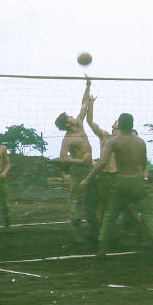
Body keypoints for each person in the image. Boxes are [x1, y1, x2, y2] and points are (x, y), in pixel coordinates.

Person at [80, 113, 153, 258]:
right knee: (149, 214)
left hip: (121, 181)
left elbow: (102, 163)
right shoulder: (140, 142)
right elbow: (143, 164)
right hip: (138, 181)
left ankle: (102, 247)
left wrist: (87, 179)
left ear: (120, 125)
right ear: (132, 124)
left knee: (110, 215)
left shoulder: (113, 142)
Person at [86, 94, 143, 233]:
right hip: (105, 177)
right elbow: (90, 121)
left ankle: (136, 228)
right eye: (115, 120)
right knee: (104, 206)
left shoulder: (128, 138)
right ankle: (102, 233)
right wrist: (91, 104)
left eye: (117, 120)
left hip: (119, 176)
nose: (115, 121)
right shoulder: (105, 135)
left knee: (128, 205)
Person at [56, 79, 98, 244]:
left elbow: (84, 104)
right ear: (67, 123)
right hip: (79, 171)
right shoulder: (68, 138)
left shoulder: (80, 123)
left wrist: (88, 85)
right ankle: (77, 231)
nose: (73, 116)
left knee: (92, 198)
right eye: (70, 117)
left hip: (90, 169)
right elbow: (62, 158)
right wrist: (80, 161)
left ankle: (94, 230)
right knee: (77, 200)